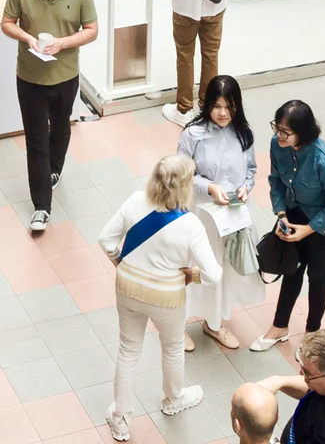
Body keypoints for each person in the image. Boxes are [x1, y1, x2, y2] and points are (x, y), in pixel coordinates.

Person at [98, 154, 221, 438]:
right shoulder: (191, 225)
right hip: (168, 295)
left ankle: (121, 417)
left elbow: (106, 239)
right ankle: (173, 399)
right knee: (173, 346)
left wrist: (121, 264)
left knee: (128, 350)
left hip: (127, 288)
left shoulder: (134, 200)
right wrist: (192, 275)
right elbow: (214, 274)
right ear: (186, 186)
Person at [0, 0, 99, 233]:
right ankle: (41, 206)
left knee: (61, 130)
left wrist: (63, 43)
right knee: (36, 140)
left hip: (65, 75)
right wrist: (27, 37)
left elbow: (92, 30)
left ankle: (54, 170)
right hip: (30, 78)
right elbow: (6, 23)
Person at [251, 100, 325, 350]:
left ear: (303, 132)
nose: (278, 135)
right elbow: (276, 180)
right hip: (295, 214)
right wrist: (281, 214)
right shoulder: (278, 144)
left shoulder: (324, 160)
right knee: (291, 269)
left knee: (317, 275)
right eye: (277, 128)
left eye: (285, 131)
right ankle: (279, 327)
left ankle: (312, 336)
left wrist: (308, 230)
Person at [178, 75, 261, 352]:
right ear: (207, 105)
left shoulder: (243, 133)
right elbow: (181, 174)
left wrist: (245, 189)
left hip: (232, 216)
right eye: (217, 106)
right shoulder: (193, 134)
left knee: (221, 269)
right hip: (201, 214)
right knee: (194, 267)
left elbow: (251, 171)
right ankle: (177, 326)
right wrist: (210, 186)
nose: (223, 113)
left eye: (229, 106)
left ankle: (213, 323)